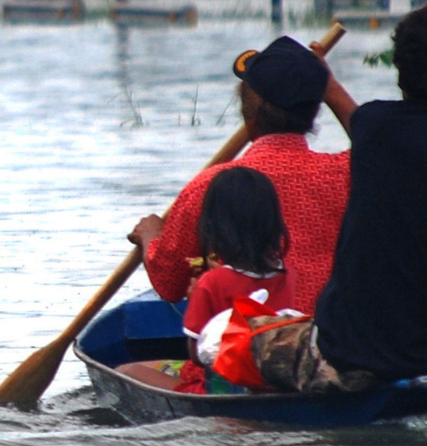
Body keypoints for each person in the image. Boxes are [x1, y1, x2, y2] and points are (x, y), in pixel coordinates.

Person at [254, 4, 427, 393]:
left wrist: (324, 79)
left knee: (247, 336)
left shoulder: (374, 127)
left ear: (400, 67)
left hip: (342, 357)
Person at [129, 37, 359, 317]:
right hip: (331, 345)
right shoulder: (350, 173)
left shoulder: (213, 185)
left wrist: (150, 236)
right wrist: (330, 87)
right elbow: (377, 147)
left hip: (248, 352)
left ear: (251, 108)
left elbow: (169, 283)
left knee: (133, 366)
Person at [171, 167, 300, 395]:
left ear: (214, 228)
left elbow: (196, 353)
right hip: (276, 384)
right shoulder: (289, 274)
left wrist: (195, 300)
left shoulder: (211, 282)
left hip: (225, 388)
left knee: (131, 370)